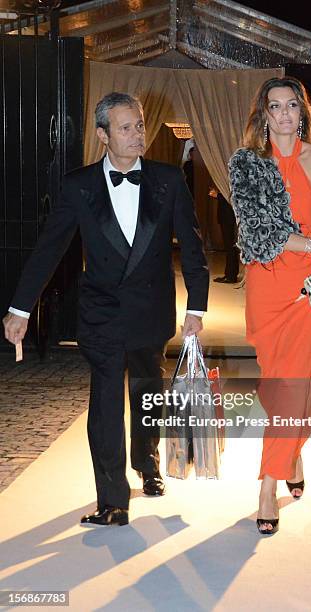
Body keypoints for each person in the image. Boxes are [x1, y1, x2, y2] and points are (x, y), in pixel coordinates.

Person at [3, 92, 209, 526]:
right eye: (127, 127)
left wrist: (198, 306)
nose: (139, 134)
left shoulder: (168, 180)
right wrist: (20, 308)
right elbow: (49, 249)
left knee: (147, 394)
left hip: (151, 311)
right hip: (102, 314)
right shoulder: (79, 186)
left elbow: (193, 247)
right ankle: (112, 499)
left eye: (139, 125)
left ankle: (147, 463)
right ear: (102, 135)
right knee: (105, 405)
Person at [229, 77, 311, 535]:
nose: (283, 114)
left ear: (302, 112)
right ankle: (292, 453)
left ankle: (266, 485)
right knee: (277, 387)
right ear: (263, 114)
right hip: (266, 282)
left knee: (296, 387)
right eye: (274, 107)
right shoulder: (247, 164)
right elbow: (259, 232)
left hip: (306, 286)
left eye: (291, 106)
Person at [213, 191, 240, 284]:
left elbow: (229, 198)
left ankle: (230, 276)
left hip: (228, 217)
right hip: (228, 216)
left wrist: (218, 195)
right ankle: (231, 274)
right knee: (230, 246)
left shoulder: (228, 184)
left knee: (230, 246)